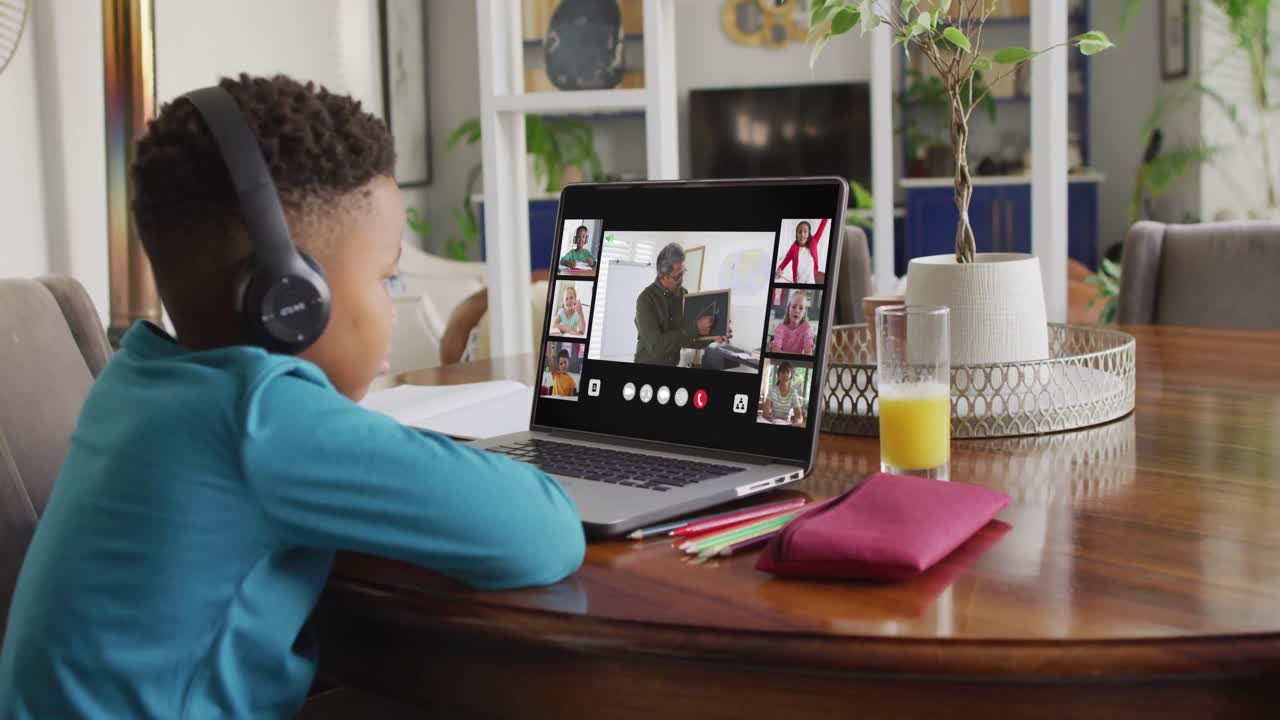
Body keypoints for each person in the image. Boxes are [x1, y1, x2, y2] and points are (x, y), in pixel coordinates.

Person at [0, 74, 585, 720]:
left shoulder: (138, 377)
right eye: (386, 277)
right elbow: (543, 535)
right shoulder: (258, 419)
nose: (391, 306)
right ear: (290, 299)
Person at [634, 243, 731, 366]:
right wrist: (696, 328)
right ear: (662, 276)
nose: (682, 280)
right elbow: (656, 346)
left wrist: (713, 336)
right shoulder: (645, 300)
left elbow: (686, 340)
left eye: (683, 272)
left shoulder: (683, 294)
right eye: (677, 276)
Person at [775, 219, 827, 284]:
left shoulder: (813, 242)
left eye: (805, 232)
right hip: (798, 283)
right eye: (800, 232)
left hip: (811, 282)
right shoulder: (793, 248)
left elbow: (822, 225)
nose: (802, 234)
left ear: (809, 233)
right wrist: (779, 270)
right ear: (796, 234)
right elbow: (785, 260)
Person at [769, 290, 816, 355]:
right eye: (794, 307)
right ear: (789, 308)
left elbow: (808, 353)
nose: (797, 310)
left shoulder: (806, 328)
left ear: (804, 311)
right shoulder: (781, 327)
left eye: (801, 308)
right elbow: (775, 351)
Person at [759, 361, 806, 426]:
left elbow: (799, 416)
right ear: (778, 375)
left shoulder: (793, 393)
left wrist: (797, 422)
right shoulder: (772, 390)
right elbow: (765, 412)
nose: (785, 375)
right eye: (783, 372)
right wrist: (767, 416)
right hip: (773, 422)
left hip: (786, 423)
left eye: (788, 372)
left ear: (791, 376)